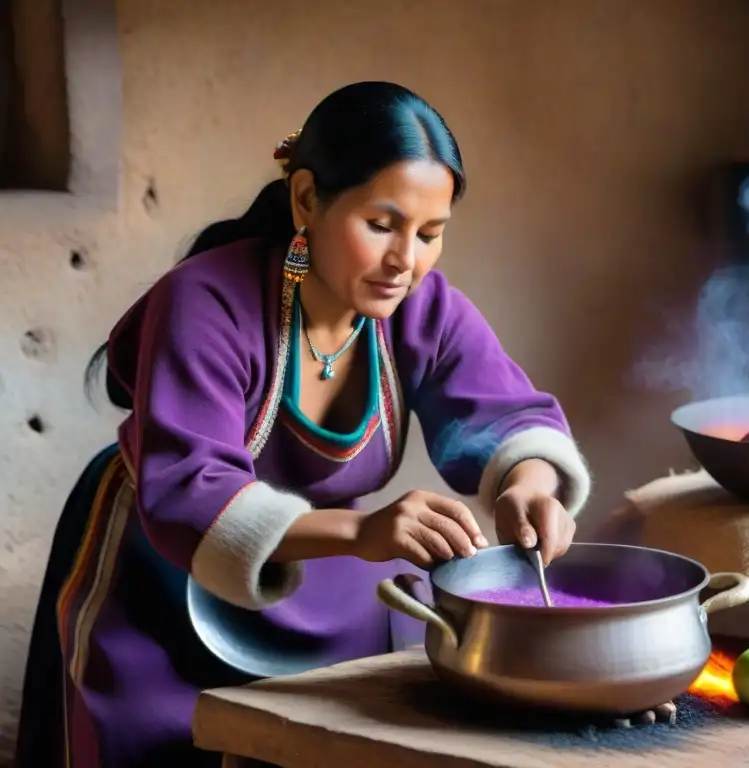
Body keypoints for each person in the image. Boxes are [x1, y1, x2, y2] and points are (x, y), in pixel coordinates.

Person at [15, 81, 592, 767]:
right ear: (307, 199)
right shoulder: (202, 301)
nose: (406, 261)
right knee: (160, 749)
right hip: (165, 566)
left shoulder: (421, 306)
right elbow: (191, 488)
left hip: (331, 575)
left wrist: (528, 483)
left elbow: (504, 414)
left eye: (430, 234)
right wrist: (365, 530)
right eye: (382, 225)